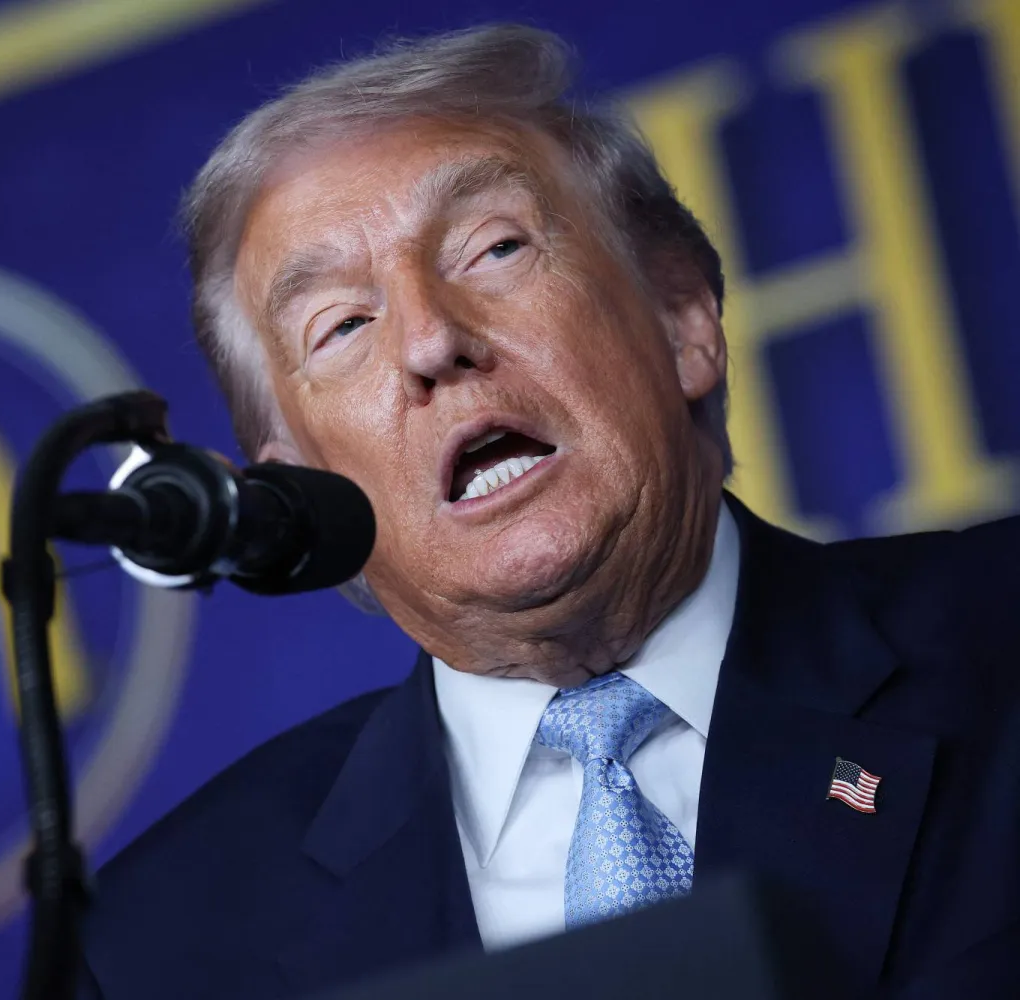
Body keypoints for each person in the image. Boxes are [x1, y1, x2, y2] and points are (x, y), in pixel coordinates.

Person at [79, 24, 1020, 999]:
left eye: (494, 247)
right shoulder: (159, 943)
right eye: (344, 324)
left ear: (683, 319)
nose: (432, 341)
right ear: (299, 492)